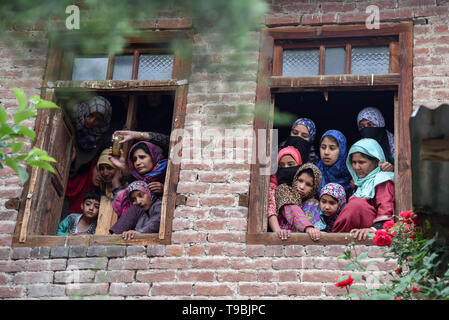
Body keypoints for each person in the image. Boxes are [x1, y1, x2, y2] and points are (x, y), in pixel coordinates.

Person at [332, 138, 395, 239]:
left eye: (361, 162)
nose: (356, 167)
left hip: (369, 235)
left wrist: (374, 229)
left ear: (376, 161)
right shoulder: (360, 184)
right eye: (354, 162)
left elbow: (386, 208)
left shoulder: (383, 179)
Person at [274, 163, 325, 241]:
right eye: (300, 181)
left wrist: (316, 232)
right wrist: (308, 228)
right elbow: (293, 210)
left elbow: (318, 232)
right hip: (285, 239)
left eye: (308, 184)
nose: (302, 187)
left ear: (314, 188)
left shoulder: (314, 204)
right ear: (295, 178)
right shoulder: (283, 190)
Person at [68, 95, 113, 177]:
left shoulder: (99, 139)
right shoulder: (71, 123)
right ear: (85, 111)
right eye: (91, 115)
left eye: (98, 119)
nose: (92, 121)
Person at [267, 146, 303, 240]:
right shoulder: (273, 186)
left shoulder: (304, 184)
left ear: (299, 164)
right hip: (282, 233)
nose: (286, 168)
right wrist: (278, 230)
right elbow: (271, 208)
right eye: (281, 165)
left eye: (290, 164)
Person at [316, 130, 352, 198]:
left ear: (342, 150)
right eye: (323, 147)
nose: (326, 152)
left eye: (332, 148)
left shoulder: (352, 175)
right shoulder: (314, 173)